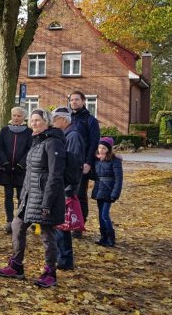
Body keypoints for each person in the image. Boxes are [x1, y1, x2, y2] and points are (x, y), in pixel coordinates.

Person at [0, 108, 65, 288]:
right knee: (17, 225)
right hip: (30, 196)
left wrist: (47, 202)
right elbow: (30, 173)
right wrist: (25, 194)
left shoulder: (53, 143)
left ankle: (50, 273)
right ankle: (17, 266)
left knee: (46, 234)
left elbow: (55, 175)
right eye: (32, 120)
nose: (33, 123)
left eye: (37, 120)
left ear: (47, 122)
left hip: (46, 198)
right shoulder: (36, 141)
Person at [51, 107, 86, 270]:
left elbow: (72, 164)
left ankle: (65, 259)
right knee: (59, 225)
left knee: (62, 225)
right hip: (63, 185)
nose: (53, 123)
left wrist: (68, 188)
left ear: (63, 120)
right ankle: (62, 257)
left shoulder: (72, 136)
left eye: (54, 119)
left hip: (66, 186)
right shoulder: (68, 134)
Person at [0, 106, 32, 234]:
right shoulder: (4, 131)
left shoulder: (28, 132)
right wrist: (4, 162)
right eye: (14, 115)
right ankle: (9, 222)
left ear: (24, 118)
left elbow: (29, 149)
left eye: (19, 116)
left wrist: (21, 164)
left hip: (21, 170)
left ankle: (20, 222)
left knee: (21, 197)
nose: (16, 118)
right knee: (8, 196)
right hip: (6, 169)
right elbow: (0, 147)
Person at [69, 91, 100, 238]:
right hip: (68, 163)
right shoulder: (67, 118)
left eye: (76, 99)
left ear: (83, 101)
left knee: (80, 195)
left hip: (82, 163)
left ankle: (79, 226)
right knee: (68, 194)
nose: (73, 102)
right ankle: (69, 221)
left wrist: (88, 162)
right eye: (72, 100)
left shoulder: (90, 120)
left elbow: (94, 143)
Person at [91, 137, 123, 247]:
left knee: (105, 215)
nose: (101, 150)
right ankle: (103, 236)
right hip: (99, 189)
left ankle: (111, 237)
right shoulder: (97, 160)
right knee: (100, 215)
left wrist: (115, 194)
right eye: (99, 147)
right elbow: (95, 175)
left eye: (104, 148)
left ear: (108, 149)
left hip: (109, 191)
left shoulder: (115, 161)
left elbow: (119, 178)